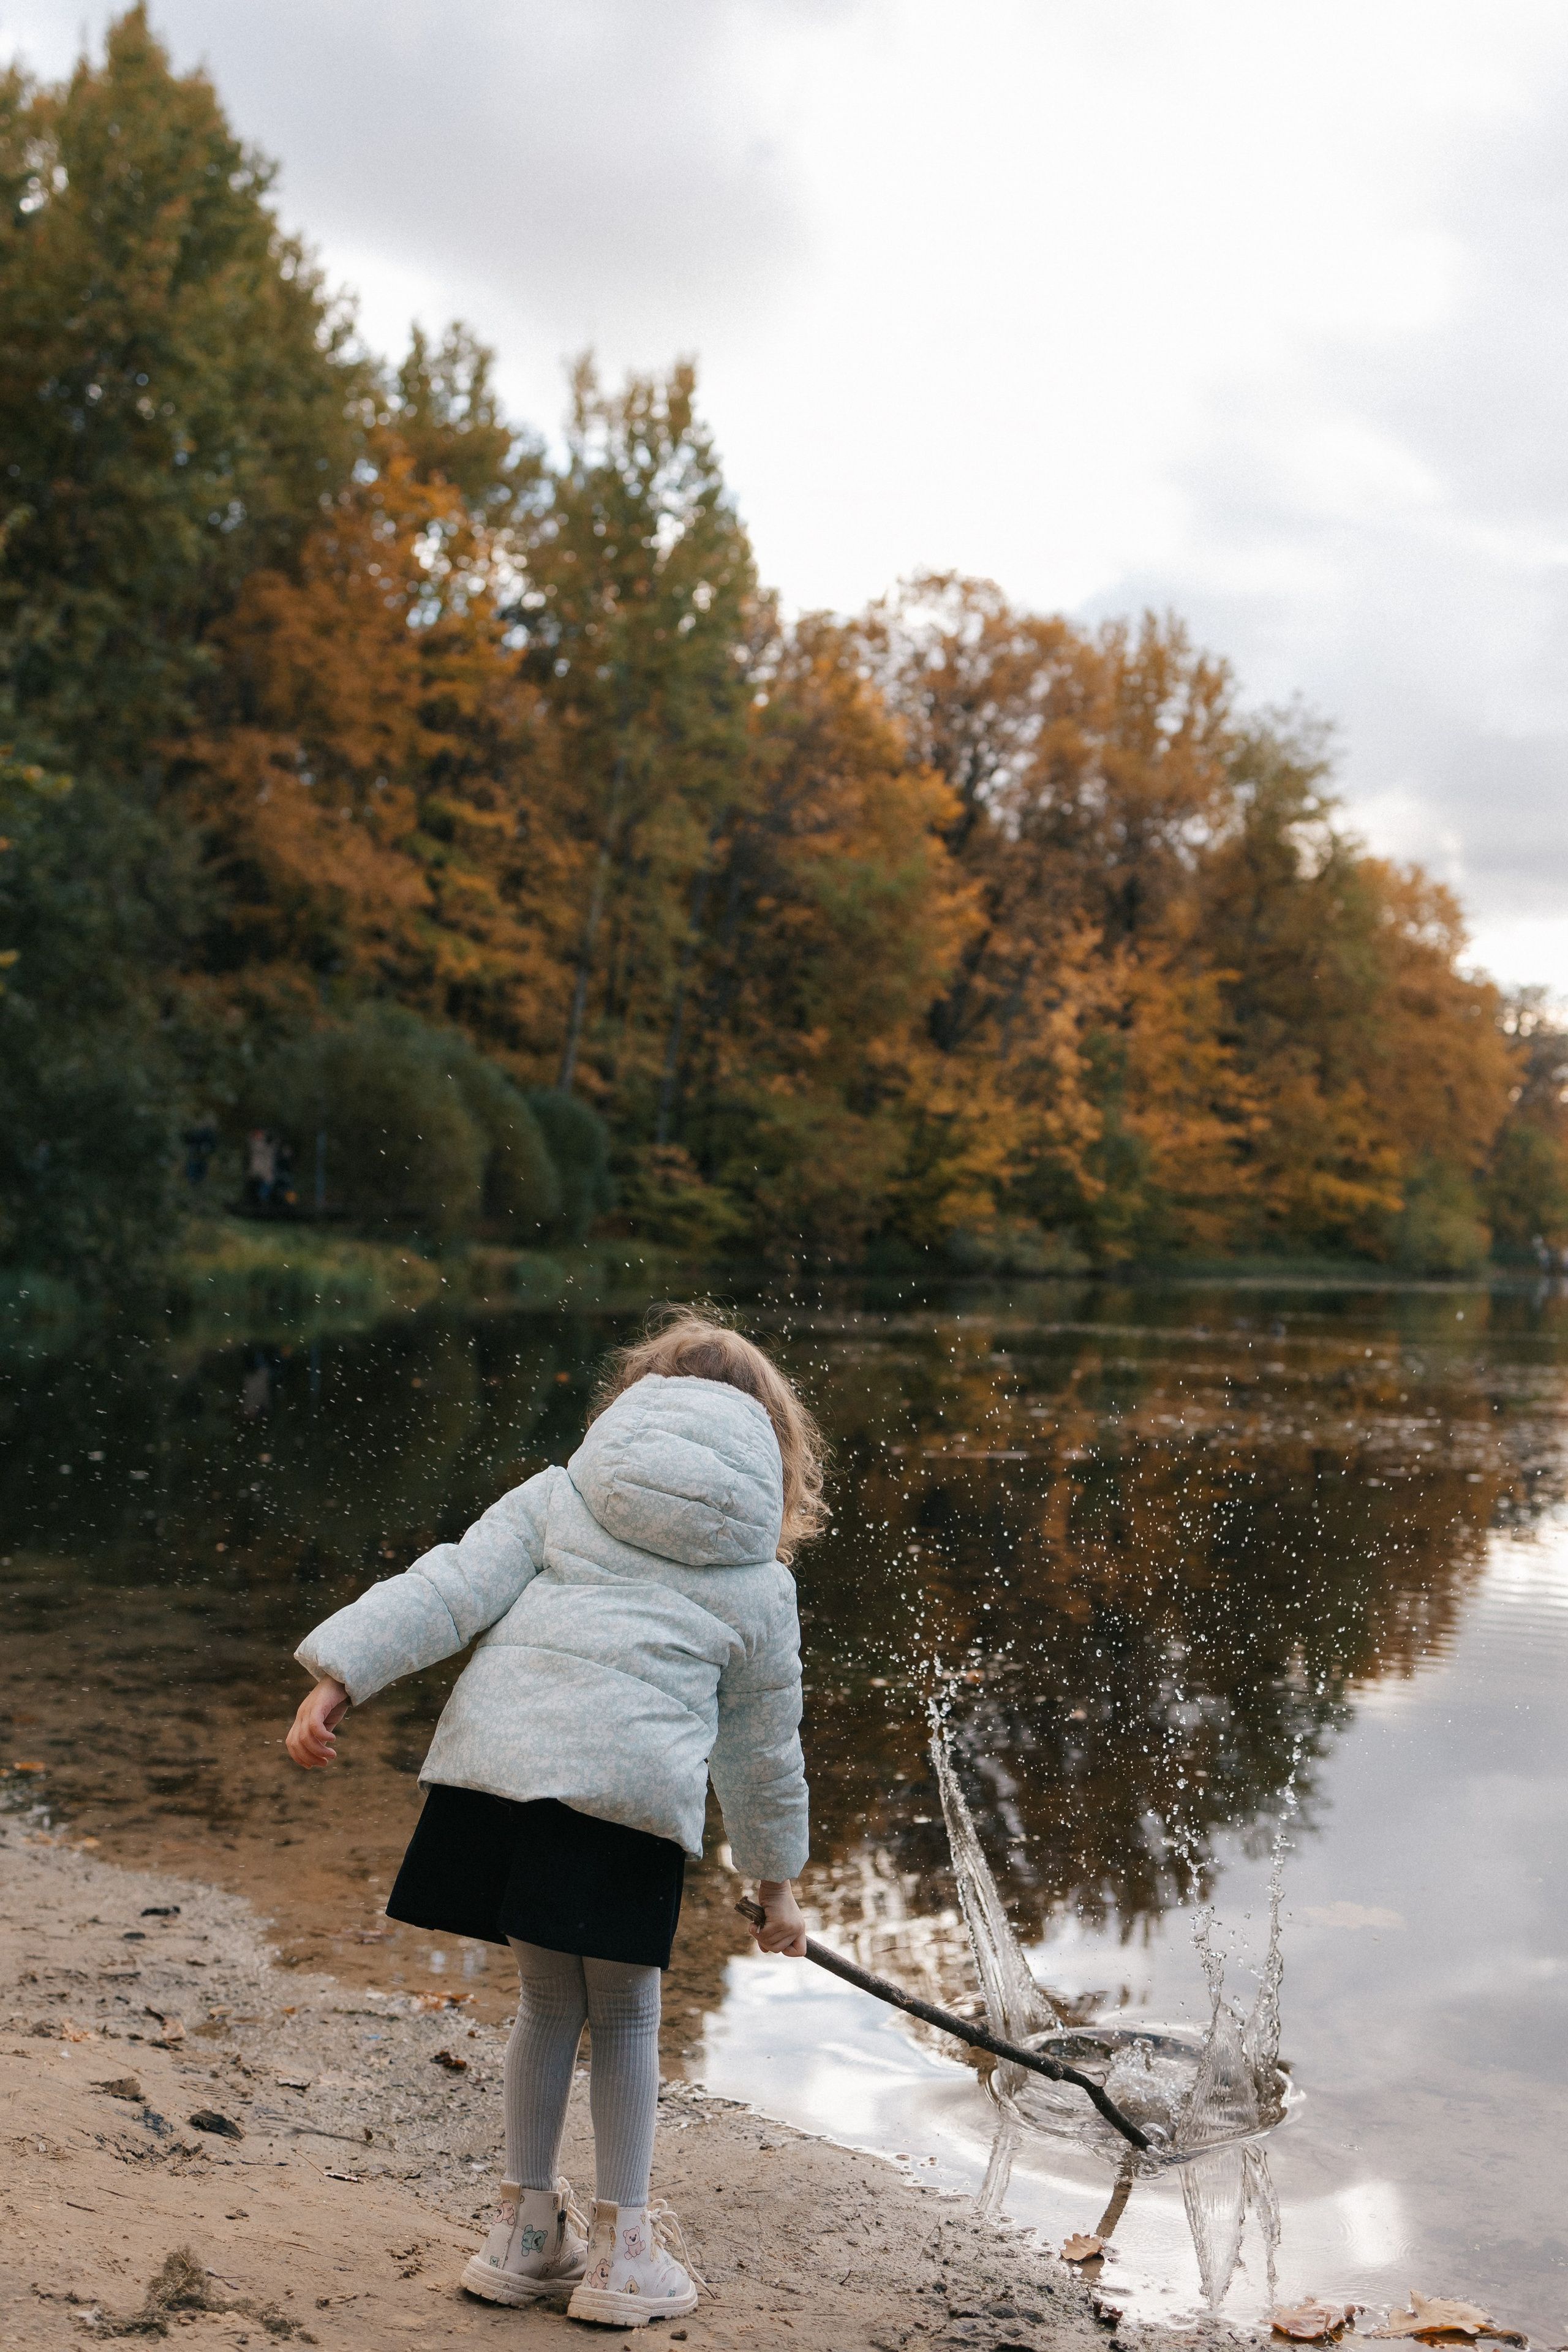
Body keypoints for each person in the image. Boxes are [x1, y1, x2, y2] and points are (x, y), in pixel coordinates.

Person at [285, 1310, 823, 2328]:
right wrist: (775, 1886)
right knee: (622, 2014)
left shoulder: (561, 1495)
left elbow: (447, 1589)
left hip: (505, 1776)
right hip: (626, 1803)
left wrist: (340, 1676)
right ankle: (623, 2255)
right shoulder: (760, 1584)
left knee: (544, 2004)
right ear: (772, 1446)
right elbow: (763, 1751)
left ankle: (524, 2236)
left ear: (637, 1402)